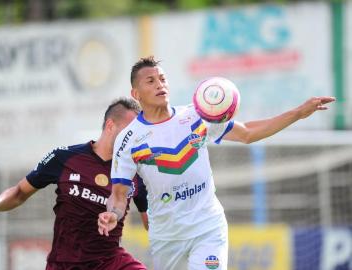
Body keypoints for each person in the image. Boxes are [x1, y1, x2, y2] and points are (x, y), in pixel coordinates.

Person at [97, 56, 336, 270]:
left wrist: (298, 113)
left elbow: (248, 133)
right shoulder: (128, 140)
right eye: (150, 81)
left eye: (162, 78)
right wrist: (113, 215)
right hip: (166, 236)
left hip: (208, 227)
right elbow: (119, 194)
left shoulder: (197, 116)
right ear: (135, 94)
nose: (160, 84)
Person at [0, 97, 148, 270]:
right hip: (65, 264)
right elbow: (20, 192)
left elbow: (154, 222)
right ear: (110, 125)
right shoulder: (65, 158)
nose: (133, 138)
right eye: (129, 132)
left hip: (109, 261)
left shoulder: (136, 173)